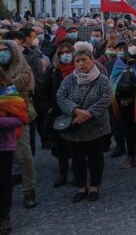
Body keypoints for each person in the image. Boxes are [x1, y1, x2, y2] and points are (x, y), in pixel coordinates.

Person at [56, 46, 112, 203]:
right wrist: (76, 111)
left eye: (84, 60)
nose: (81, 64)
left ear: (92, 61)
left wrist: (88, 113)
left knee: (95, 157)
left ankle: (94, 186)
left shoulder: (102, 79)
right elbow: (61, 97)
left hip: (96, 126)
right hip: (75, 127)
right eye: (77, 61)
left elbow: (106, 98)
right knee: (77, 159)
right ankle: (81, 187)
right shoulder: (69, 80)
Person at [0, 41, 36, 209]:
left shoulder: (23, 69)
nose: (2, 54)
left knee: (23, 155)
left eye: (6, 50)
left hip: (19, 115)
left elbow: (15, 85)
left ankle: (29, 191)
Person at [109, 38, 136, 169]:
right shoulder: (120, 62)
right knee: (127, 128)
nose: (133, 47)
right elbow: (113, 80)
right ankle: (130, 156)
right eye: (131, 45)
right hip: (122, 101)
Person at [0, 65, 28, 234]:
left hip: (3, 145)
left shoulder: (9, 94)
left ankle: (4, 216)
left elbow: (20, 119)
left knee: (3, 182)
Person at [45, 43, 76, 188]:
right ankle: (62, 173)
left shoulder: (79, 69)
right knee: (61, 145)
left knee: (76, 145)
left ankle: (78, 174)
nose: (65, 55)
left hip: (76, 113)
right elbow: (43, 91)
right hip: (58, 114)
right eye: (62, 53)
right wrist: (49, 108)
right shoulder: (53, 71)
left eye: (68, 52)